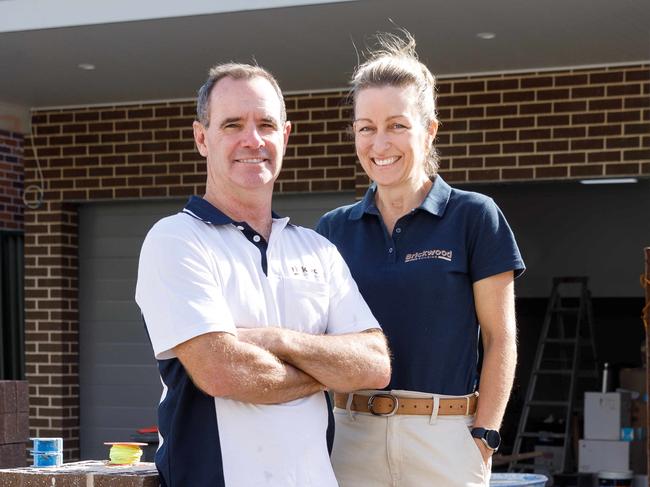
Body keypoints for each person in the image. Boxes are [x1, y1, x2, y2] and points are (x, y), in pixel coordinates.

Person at [135, 62, 391, 487]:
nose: (252, 140)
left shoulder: (317, 248)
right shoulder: (176, 239)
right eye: (232, 124)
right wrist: (326, 372)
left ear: (285, 136)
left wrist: (276, 340)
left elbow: (374, 365)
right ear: (202, 138)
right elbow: (223, 372)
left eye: (266, 124)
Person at [316, 31, 525, 487]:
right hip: (351, 437)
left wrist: (484, 435)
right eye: (366, 127)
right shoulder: (332, 230)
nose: (379, 142)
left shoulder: (474, 216)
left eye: (397, 125)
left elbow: (500, 337)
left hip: (446, 437)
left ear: (429, 129)